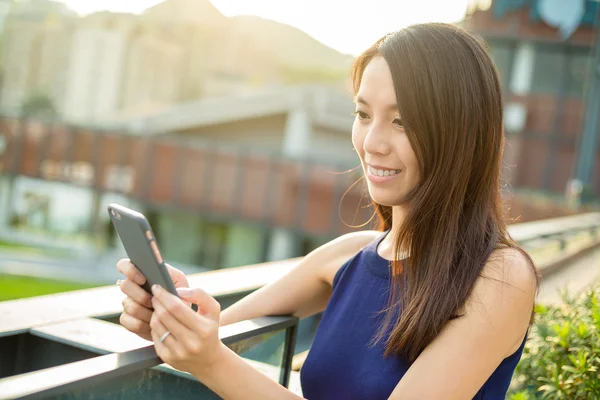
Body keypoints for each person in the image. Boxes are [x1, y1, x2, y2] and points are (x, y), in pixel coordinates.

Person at [116, 22, 539, 400]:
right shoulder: (351, 255)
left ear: (461, 134)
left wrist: (211, 362)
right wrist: (172, 318)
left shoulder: (500, 278)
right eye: (363, 114)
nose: (372, 142)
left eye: (402, 121)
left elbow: (214, 358)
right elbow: (218, 332)